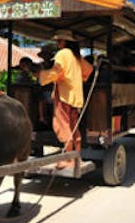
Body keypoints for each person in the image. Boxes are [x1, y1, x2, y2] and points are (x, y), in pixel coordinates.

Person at [37, 29, 93, 168]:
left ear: (64, 41)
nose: (57, 43)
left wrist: (41, 76)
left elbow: (57, 71)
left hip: (64, 95)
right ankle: (76, 157)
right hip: (76, 96)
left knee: (63, 125)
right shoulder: (76, 56)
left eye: (59, 41)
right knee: (74, 126)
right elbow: (89, 70)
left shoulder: (62, 54)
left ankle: (68, 160)